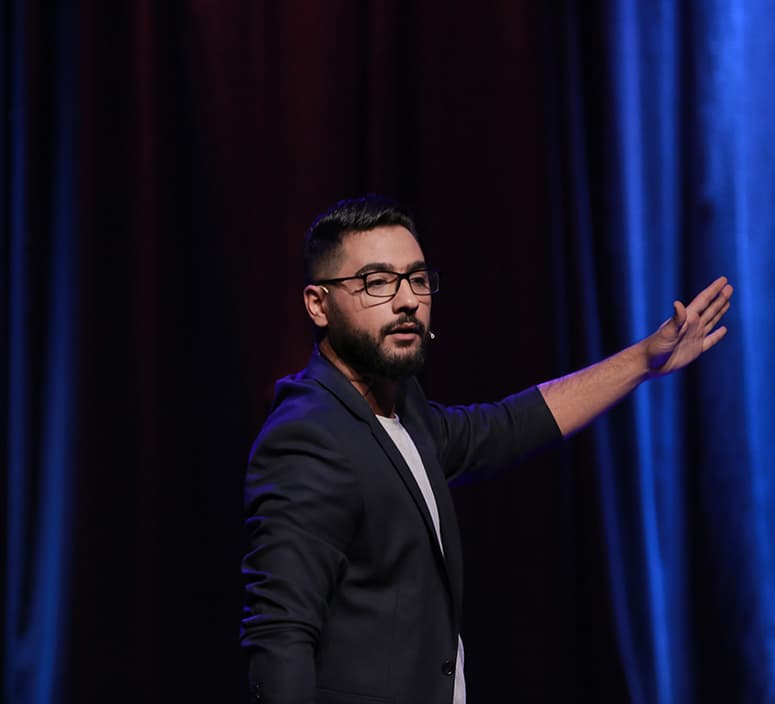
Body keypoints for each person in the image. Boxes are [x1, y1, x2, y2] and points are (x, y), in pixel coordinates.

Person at [240, 195, 733, 704]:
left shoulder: (401, 409)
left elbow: (505, 427)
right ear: (318, 304)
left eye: (417, 279)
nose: (407, 300)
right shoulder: (309, 437)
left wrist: (644, 360)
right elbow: (280, 634)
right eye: (377, 282)